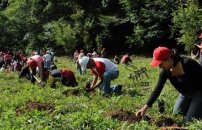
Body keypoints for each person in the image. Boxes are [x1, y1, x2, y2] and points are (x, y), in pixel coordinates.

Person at [136, 46, 202, 121]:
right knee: (177, 115)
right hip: (185, 94)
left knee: (189, 120)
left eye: (161, 63)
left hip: (199, 93)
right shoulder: (165, 72)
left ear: (169, 58)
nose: (160, 66)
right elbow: (157, 90)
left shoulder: (188, 63)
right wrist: (145, 108)